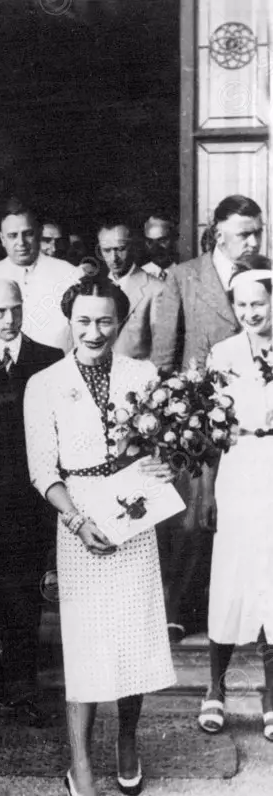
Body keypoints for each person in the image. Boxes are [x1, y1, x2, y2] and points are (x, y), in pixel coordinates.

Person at [24, 276, 176, 796]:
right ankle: (80, 765)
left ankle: (127, 740)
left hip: (135, 506)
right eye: (84, 320)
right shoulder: (44, 383)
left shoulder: (143, 374)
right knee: (87, 644)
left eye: (105, 320)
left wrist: (161, 465)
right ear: (69, 319)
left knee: (132, 634)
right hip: (80, 517)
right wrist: (78, 520)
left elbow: (160, 444)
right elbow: (43, 470)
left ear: (120, 321)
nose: (93, 331)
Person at [152, 194, 263, 641]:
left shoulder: (266, 273)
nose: (254, 241)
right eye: (244, 233)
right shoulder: (185, 276)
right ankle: (179, 608)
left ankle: (256, 614)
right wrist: (168, 416)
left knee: (252, 514)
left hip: (257, 415)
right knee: (194, 516)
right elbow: (163, 355)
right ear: (218, 234)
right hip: (199, 416)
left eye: (258, 231)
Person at [0, 279, 61, 726]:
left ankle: (20, 684)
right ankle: (13, 672)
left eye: (14, 309)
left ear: (24, 308)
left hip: (35, 496)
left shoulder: (49, 361)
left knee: (27, 592)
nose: (7, 319)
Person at [197, 257, 273, 740]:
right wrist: (206, 489)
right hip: (238, 464)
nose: (250, 312)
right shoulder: (222, 354)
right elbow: (207, 431)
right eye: (242, 304)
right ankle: (215, 689)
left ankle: (271, 693)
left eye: (259, 303)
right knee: (229, 572)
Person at [0, 197, 82, 356]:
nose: (21, 243)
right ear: (2, 239)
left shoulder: (71, 275)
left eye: (28, 234)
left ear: (39, 233)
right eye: (12, 235)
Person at [97, 217, 164, 360]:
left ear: (133, 247)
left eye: (120, 249)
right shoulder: (96, 288)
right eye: (106, 250)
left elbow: (161, 350)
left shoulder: (156, 289)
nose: (114, 258)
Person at [141, 215, 178, 280]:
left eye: (162, 241)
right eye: (150, 242)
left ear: (174, 239)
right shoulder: (140, 275)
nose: (156, 248)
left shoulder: (187, 274)